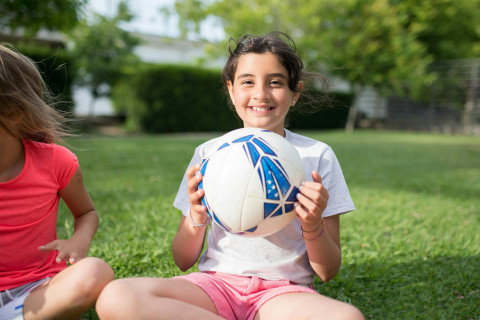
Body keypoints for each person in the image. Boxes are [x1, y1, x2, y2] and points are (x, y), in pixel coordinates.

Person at [96, 31, 364, 320]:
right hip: (214, 286)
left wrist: (312, 225)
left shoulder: (317, 156)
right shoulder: (210, 154)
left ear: (295, 92)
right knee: (117, 297)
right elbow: (183, 260)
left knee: (346, 318)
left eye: (275, 82)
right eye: (247, 82)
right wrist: (196, 218)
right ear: (231, 89)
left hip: (283, 294)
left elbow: (327, 271)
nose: (260, 94)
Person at [0, 44, 114, 320]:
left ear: (14, 112)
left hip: (38, 288)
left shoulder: (56, 163)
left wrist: (79, 240)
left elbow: (87, 213)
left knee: (95, 272)